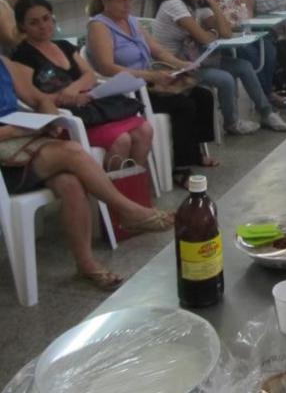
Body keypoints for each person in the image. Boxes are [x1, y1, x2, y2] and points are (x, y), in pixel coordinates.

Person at [0, 55, 173, 291]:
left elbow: (38, 98)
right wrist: (13, 131)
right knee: (72, 152)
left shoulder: (4, 63)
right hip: (7, 161)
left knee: (71, 184)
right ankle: (127, 211)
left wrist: (51, 118)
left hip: (24, 145)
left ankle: (86, 264)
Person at [85, 0, 222, 188]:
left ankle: (194, 152)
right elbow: (107, 67)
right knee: (183, 105)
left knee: (203, 96)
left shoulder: (131, 21)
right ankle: (181, 167)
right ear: (105, 0)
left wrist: (181, 64)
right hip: (127, 90)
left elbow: (157, 50)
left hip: (148, 82)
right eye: (122, 1)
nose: (128, 6)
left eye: (130, 0)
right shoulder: (99, 26)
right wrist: (151, 76)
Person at [12, 0, 154, 170]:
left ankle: (133, 180)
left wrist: (75, 88)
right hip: (67, 116)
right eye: (34, 23)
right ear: (22, 26)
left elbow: (89, 75)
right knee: (121, 140)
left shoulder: (64, 46)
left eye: (46, 18)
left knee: (145, 130)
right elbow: (31, 97)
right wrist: (66, 98)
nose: (43, 26)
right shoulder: (22, 56)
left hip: (92, 107)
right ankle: (113, 185)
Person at [151, 0, 286, 134]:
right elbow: (203, 38)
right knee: (225, 79)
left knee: (244, 66)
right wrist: (211, 33)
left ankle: (267, 113)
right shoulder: (175, 5)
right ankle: (231, 123)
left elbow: (226, 33)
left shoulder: (198, 8)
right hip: (174, 66)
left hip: (196, 60)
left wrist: (213, 3)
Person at [206, 0, 286, 111]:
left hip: (244, 30)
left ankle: (267, 92)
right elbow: (209, 18)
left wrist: (245, 24)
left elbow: (247, 11)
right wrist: (232, 26)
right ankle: (267, 95)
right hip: (225, 36)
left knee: (269, 50)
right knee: (252, 55)